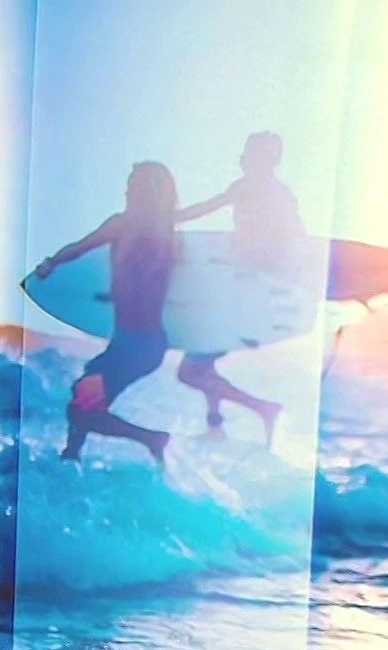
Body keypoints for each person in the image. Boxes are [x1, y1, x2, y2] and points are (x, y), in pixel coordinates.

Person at [34, 161, 179, 463]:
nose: (127, 190)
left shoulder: (151, 233)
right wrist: (52, 262)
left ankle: (150, 440)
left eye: (133, 185)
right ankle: (74, 456)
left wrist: (53, 264)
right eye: (129, 184)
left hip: (143, 344)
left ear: (148, 191)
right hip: (126, 340)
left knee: (82, 402)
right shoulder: (139, 228)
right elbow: (80, 247)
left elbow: (148, 285)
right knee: (79, 406)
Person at [172, 131, 296, 442]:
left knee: (191, 371)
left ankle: (263, 408)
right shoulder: (244, 187)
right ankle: (215, 425)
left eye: (253, 153)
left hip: (247, 299)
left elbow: (295, 239)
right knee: (200, 363)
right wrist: (170, 217)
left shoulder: (276, 194)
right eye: (247, 151)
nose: (245, 158)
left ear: (269, 160)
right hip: (235, 292)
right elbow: (208, 206)